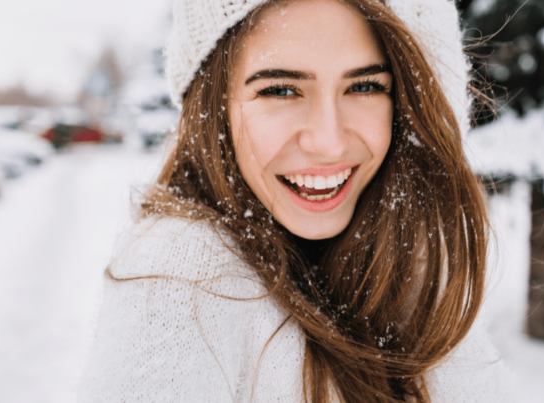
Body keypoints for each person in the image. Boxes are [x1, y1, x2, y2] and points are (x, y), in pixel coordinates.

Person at [78, 0, 518, 402]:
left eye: (364, 86)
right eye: (280, 90)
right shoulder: (183, 279)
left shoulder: (407, 271)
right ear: (214, 107)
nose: (327, 142)